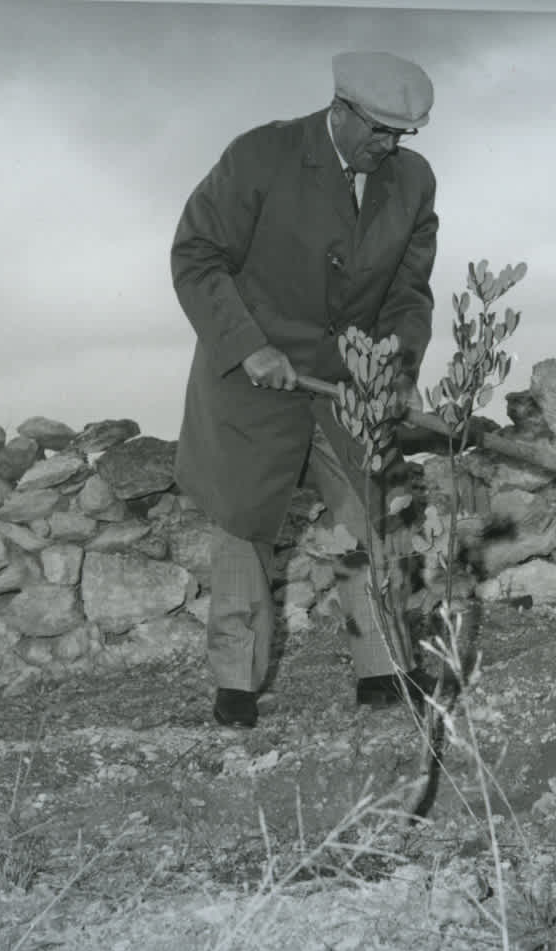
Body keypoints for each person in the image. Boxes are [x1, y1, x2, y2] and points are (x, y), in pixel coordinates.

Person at [170, 51, 440, 729]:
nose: (389, 146)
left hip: (346, 383)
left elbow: (408, 295)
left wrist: (394, 374)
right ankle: (236, 686)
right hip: (253, 379)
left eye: (402, 135)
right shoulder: (260, 156)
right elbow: (196, 255)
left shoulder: (410, 181)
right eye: (378, 130)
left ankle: (383, 669)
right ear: (340, 109)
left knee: (368, 512)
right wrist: (246, 345)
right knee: (244, 527)